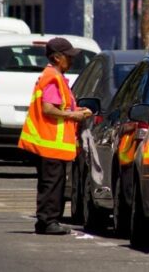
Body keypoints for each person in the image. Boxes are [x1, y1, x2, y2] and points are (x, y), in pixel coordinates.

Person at [18, 37, 93, 235]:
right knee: (52, 184)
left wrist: (77, 110)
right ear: (58, 57)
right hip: (49, 143)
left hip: (52, 144)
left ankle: (46, 221)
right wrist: (73, 115)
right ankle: (48, 221)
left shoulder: (55, 76)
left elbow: (60, 106)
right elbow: (48, 108)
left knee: (51, 183)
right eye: (69, 56)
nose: (72, 60)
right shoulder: (53, 77)